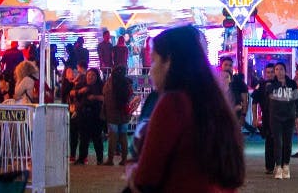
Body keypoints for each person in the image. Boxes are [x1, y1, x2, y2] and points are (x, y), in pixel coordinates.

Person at [121, 25, 245, 192]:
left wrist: (133, 171)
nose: (151, 70)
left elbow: (147, 175)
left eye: (154, 60)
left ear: (169, 62)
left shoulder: (174, 103)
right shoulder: (215, 101)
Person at [263, 62, 298, 178]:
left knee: (288, 143)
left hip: (289, 118)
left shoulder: (292, 84)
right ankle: (278, 167)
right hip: (275, 118)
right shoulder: (270, 85)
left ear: (285, 71)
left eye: (281, 69)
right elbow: (266, 100)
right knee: (277, 142)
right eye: (277, 69)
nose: (279, 72)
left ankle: (286, 166)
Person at [72, 68, 106, 165]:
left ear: (97, 77)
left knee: (97, 138)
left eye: (93, 75)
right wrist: (80, 91)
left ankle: (100, 159)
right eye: (89, 74)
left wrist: (95, 97)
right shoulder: (81, 84)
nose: (90, 76)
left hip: (96, 115)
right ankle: (82, 158)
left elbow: (105, 98)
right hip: (83, 114)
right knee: (83, 137)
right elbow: (72, 92)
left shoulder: (101, 86)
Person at [251, 65, 279, 175]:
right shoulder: (261, 86)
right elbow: (254, 102)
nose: (270, 74)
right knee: (269, 142)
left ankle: (280, 164)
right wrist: (254, 118)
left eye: (272, 72)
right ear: (264, 73)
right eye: (268, 72)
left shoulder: (280, 84)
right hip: (267, 118)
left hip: (279, 117)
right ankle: (269, 167)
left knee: (279, 141)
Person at [103, 65, 133, 164]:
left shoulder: (110, 83)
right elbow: (129, 97)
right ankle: (124, 159)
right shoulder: (127, 83)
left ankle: (110, 160)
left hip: (112, 114)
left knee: (113, 137)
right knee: (123, 136)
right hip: (124, 114)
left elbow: (105, 95)